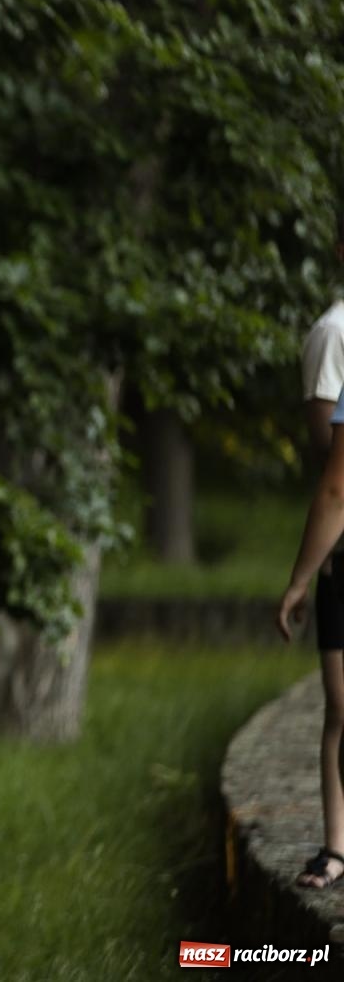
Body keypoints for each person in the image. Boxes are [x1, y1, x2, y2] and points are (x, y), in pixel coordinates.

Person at [277, 280, 344, 890]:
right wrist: (306, 573)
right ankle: (337, 847)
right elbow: (335, 481)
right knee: (342, 707)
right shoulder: (333, 332)